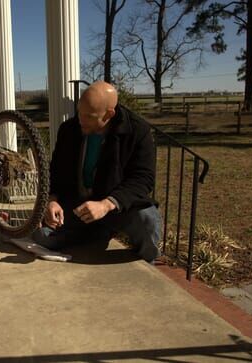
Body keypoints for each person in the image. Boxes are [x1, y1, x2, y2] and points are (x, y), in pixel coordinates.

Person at [32, 81, 162, 262]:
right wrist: (52, 200)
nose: (80, 120)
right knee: (41, 237)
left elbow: (143, 179)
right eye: (79, 113)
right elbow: (56, 170)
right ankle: (95, 233)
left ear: (109, 114)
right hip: (77, 206)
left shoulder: (138, 131)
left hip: (115, 207)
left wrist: (106, 205)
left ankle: (147, 262)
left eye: (89, 116)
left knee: (146, 219)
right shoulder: (69, 129)